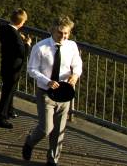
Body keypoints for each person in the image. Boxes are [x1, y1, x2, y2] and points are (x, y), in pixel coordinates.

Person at [22, 16, 83, 165]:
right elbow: (31, 69)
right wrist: (47, 81)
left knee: (59, 129)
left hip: (65, 92)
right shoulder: (40, 48)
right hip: (46, 93)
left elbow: (77, 65)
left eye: (66, 33)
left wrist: (75, 75)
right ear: (52, 31)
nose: (63, 36)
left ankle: (52, 159)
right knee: (46, 128)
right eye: (60, 33)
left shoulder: (72, 46)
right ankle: (30, 141)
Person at [0, 8, 32, 128]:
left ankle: (9, 110)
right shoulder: (16, 38)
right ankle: (0, 117)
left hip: (5, 64)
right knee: (8, 91)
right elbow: (23, 54)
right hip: (13, 68)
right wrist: (27, 44)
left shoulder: (4, 28)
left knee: (9, 89)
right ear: (21, 23)